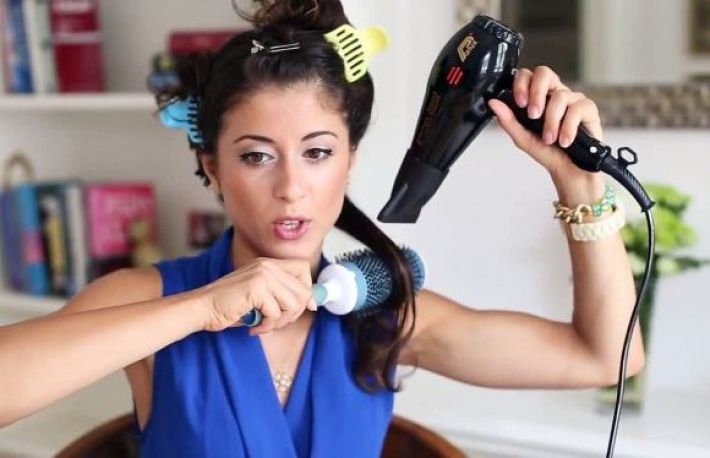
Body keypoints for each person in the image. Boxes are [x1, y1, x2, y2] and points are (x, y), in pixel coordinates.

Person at [0, 0, 644, 456]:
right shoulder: (151, 302)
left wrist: (579, 184)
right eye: (257, 156)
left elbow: (604, 358)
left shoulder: (386, 315)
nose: (291, 186)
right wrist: (200, 309)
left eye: (317, 152)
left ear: (349, 161)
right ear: (212, 166)